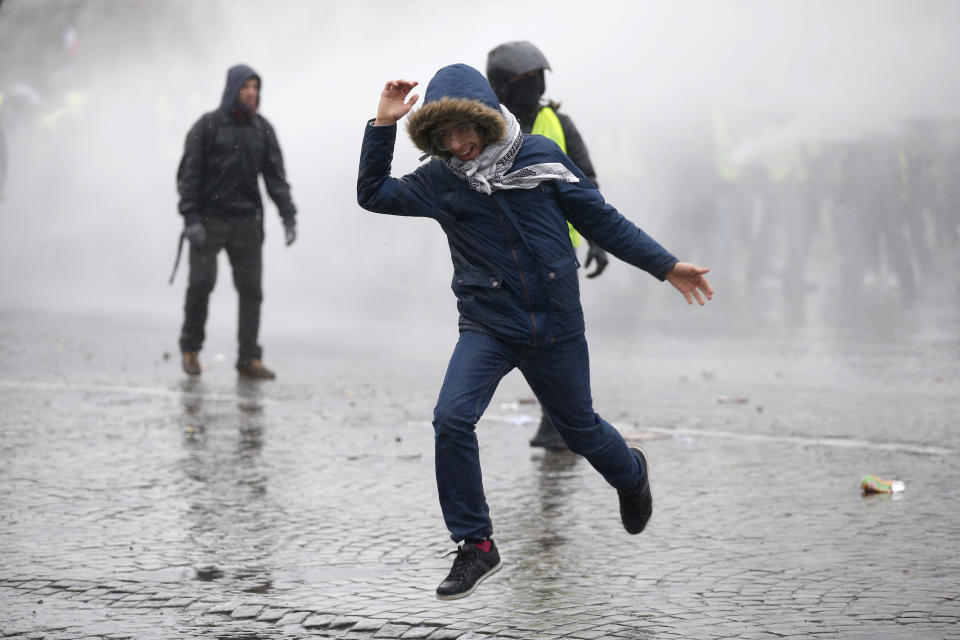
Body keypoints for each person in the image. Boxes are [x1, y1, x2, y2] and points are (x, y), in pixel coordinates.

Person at [357, 64, 712, 600]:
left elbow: (603, 220)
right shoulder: (440, 179)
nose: (458, 145)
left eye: (464, 131)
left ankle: (631, 474)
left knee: (580, 432)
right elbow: (374, 193)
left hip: (554, 323)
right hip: (488, 324)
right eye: (444, 137)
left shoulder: (541, 157)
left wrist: (666, 266)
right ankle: (475, 545)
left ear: (487, 121)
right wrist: (382, 125)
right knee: (451, 418)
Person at [487, 40, 608, 451]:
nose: (534, 87)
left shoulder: (559, 123)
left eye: (538, 79)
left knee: (555, 339)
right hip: (504, 254)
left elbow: (585, 183)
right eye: (524, 80)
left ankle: (561, 423)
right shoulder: (484, 126)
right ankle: (557, 419)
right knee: (517, 336)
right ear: (502, 86)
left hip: (556, 254)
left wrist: (598, 239)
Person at [176, 64, 297, 379]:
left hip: (247, 223)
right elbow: (188, 176)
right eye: (246, 88)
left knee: (251, 291)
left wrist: (288, 214)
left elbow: (275, 177)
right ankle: (190, 349)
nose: (252, 94)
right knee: (201, 285)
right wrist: (190, 218)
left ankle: (248, 359)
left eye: (256, 88)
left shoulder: (262, 129)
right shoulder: (207, 126)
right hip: (208, 221)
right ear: (232, 90)